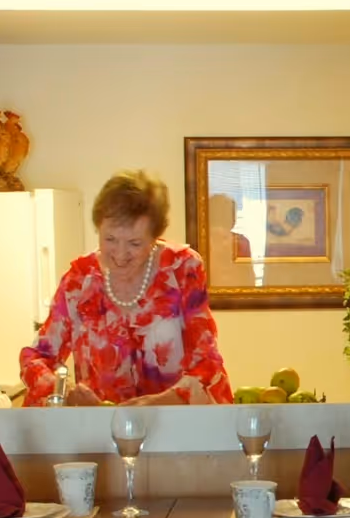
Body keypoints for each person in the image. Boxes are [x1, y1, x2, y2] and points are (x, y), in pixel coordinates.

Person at [21, 170, 233, 406]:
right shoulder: (79, 279)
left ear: (155, 237)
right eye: (110, 239)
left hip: (174, 426)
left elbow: (207, 359)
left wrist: (166, 401)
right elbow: (37, 357)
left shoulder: (181, 268)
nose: (120, 255)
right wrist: (65, 391)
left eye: (134, 243)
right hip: (101, 430)